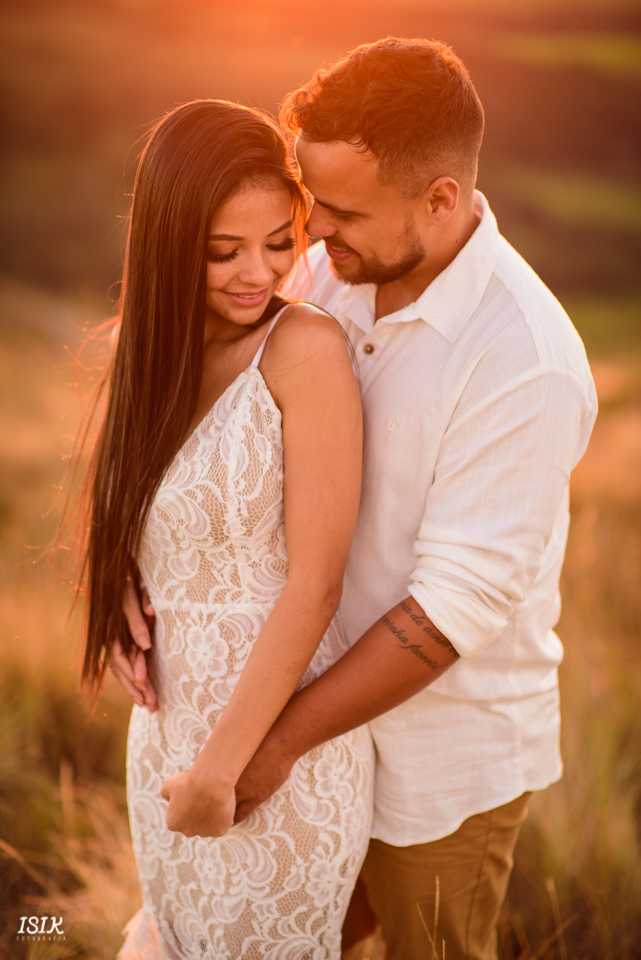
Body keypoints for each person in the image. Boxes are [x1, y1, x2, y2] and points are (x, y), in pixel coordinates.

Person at [118, 40, 598, 960]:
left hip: (435, 760)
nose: (312, 239)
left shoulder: (522, 359)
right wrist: (129, 578)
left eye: (337, 214)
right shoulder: (340, 265)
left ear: (440, 201)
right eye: (313, 208)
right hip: (298, 737)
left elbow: (450, 608)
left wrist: (271, 743)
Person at [77, 99, 374, 959]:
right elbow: (142, 509)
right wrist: (124, 585)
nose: (258, 273)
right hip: (164, 744)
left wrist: (222, 769)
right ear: (172, 246)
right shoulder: (150, 356)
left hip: (268, 765)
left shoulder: (303, 348)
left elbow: (317, 582)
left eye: (281, 243)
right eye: (223, 252)